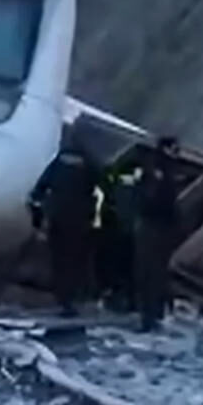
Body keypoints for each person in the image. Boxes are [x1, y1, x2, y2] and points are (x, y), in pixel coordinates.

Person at [29, 128, 103, 315]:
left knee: (59, 259)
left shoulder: (59, 161)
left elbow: (40, 187)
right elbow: (101, 185)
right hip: (79, 219)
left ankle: (62, 298)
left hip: (57, 216)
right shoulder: (90, 162)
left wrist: (39, 213)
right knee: (75, 259)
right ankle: (73, 298)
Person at [133, 135, 181, 331]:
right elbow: (158, 199)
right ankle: (150, 315)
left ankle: (152, 313)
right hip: (155, 225)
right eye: (175, 149)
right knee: (152, 272)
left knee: (152, 271)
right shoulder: (160, 170)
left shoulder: (157, 167)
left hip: (152, 225)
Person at [97, 162, 139, 311]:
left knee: (116, 266)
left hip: (117, 231)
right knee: (130, 268)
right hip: (132, 233)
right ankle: (130, 299)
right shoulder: (138, 187)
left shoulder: (114, 186)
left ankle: (117, 296)